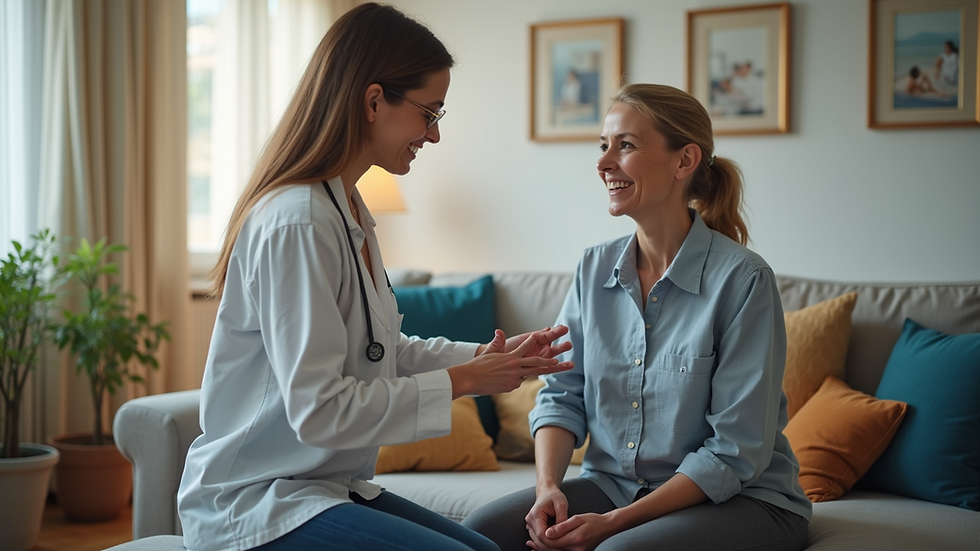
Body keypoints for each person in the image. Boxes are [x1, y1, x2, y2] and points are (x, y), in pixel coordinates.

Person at [176, 4, 573, 551]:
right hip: (256, 501)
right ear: (372, 100)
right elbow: (319, 413)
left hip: (321, 487)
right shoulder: (299, 221)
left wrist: (488, 359)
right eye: (429, 113)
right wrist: (465, 382)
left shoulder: (349, 211)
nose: (432, 136)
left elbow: (379, 351)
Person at [463, 83, 812, 551]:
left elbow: (735, 452)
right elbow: (562, 396)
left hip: (743, 499)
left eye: (625, 145)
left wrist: (615, 524)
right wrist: (550, 487)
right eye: (603, 146)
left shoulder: (744, 280)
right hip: (615, 486)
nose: (604, 163)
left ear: (684, 161)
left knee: (618, 550)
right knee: (478, 532)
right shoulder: (593, 268)